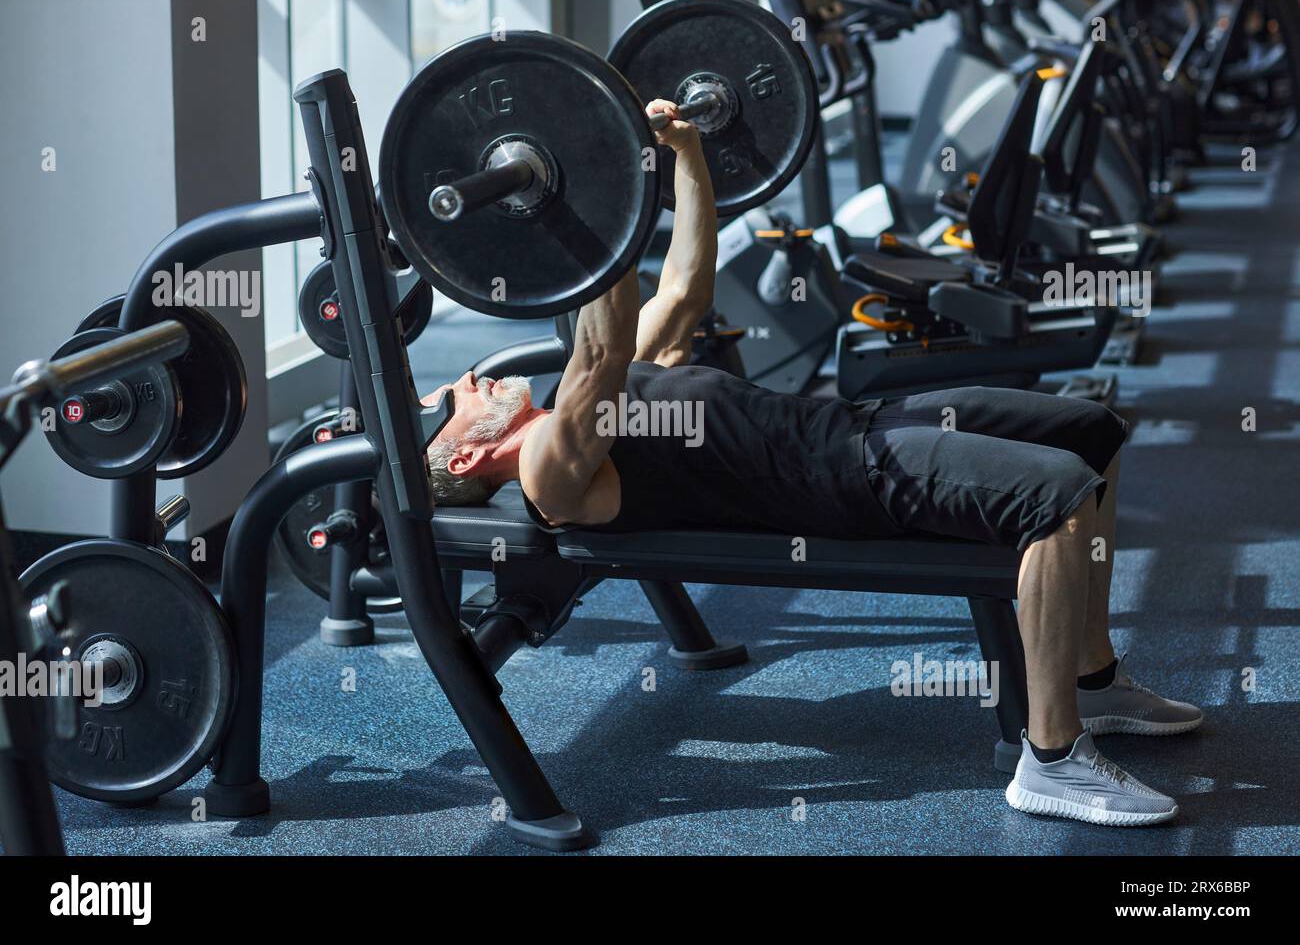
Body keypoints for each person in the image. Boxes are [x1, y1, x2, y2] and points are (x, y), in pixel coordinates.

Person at [422, 100, 1201, 826]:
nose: (464, 379)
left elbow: (686, 290)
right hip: (838, 481)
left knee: (1091, 431)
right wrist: (603, 187)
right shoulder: (550, 475)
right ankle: (1053, 759)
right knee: (1055, 498)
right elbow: (602, 345)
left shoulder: (568, 402)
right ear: (467, 451)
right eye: (450, 400)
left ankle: (1091, 682)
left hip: (853, 424)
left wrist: (686, 155)